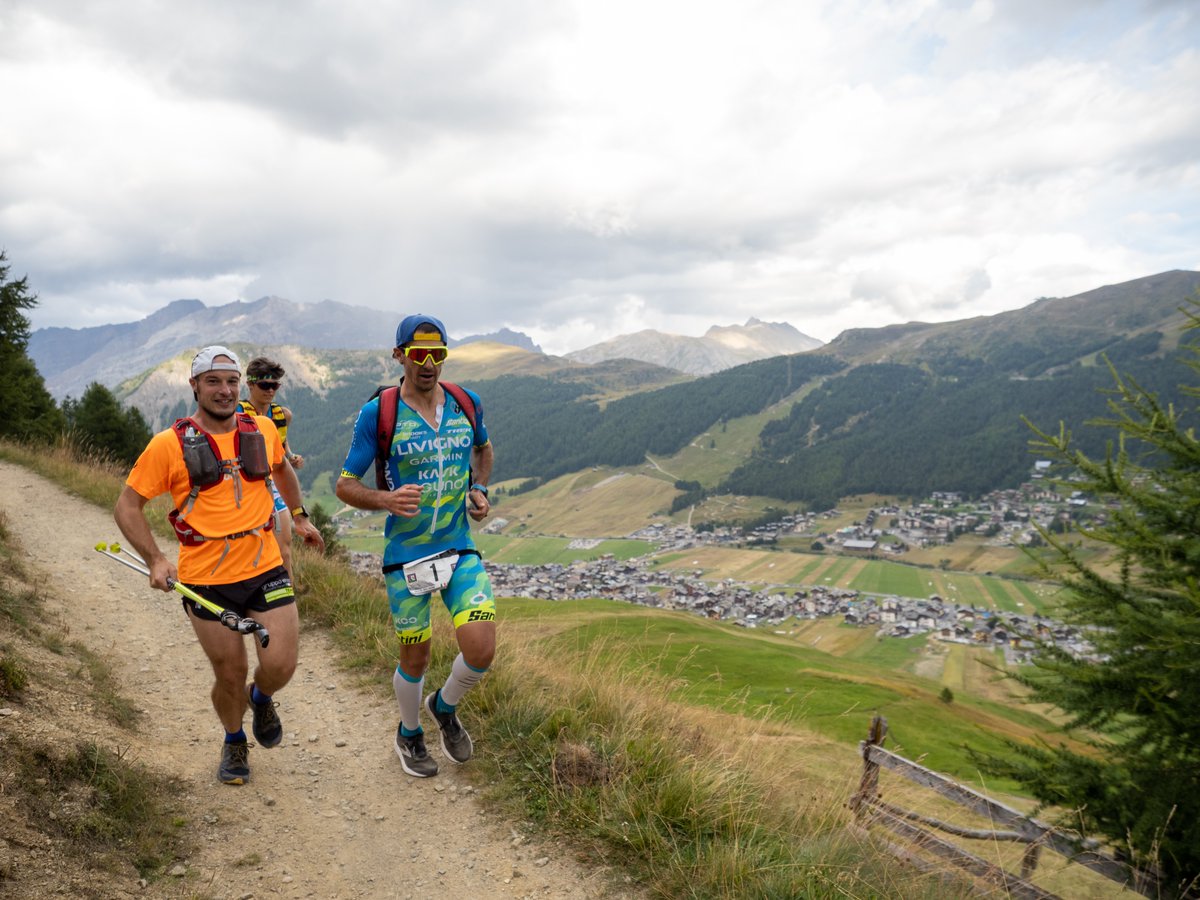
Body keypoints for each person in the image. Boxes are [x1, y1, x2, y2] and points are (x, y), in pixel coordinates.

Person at [114, 346, 325, 786]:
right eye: (213, 381)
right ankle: (233, 740)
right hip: (205, 582)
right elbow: (127, 506)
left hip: (265, 566)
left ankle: (262, 697)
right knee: (229, 673)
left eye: (231, 381)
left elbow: (282, 470)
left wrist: (300, 517)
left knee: (282, 664)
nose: (224, 390)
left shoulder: (262, 428)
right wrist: (155, 558)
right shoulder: (168, 444)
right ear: (194, 386)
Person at [335, 314, 495, 778]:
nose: (428, 364)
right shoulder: (379, 414)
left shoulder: (467, 402)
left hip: (458, 546)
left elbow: (483, 450)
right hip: (407, 556)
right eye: (418, 354)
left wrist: (480, 489)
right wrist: (385, 498)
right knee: (415, 656)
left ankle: (444, 707)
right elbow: (345, 485)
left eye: (438, 354)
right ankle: (409, 733)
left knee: (481, 649)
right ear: (399, 354)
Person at [239, 357, 304, 585]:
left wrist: (291, 457)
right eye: (264, 385)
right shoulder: (237, 413)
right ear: (250, 384)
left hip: (271, 483)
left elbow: (280, 443)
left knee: (284, 547)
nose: (270, 391)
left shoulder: (282, 415)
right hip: (243, 486)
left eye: (275, 385)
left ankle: (288, 595)